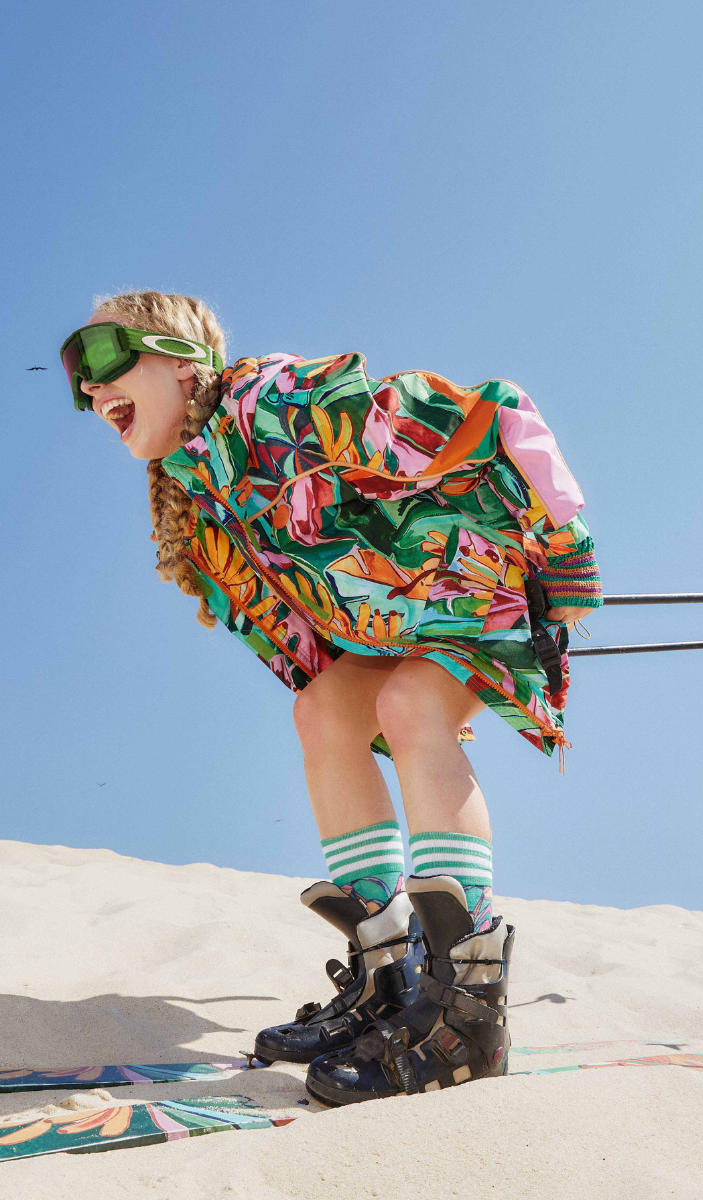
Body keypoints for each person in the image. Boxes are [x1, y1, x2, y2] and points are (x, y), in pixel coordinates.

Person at [60, 290, 602, 1105]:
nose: (90, 388)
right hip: (396, 627)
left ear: (182, 359)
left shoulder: (274, 401)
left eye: (103, 356)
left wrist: (565, 543)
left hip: (476, 586)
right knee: (320, 713)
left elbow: (488, 412)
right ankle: (387, 976)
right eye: (77, 381)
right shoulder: (192, 490)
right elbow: (289, 623)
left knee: (412, 708)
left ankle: (469, 1008)